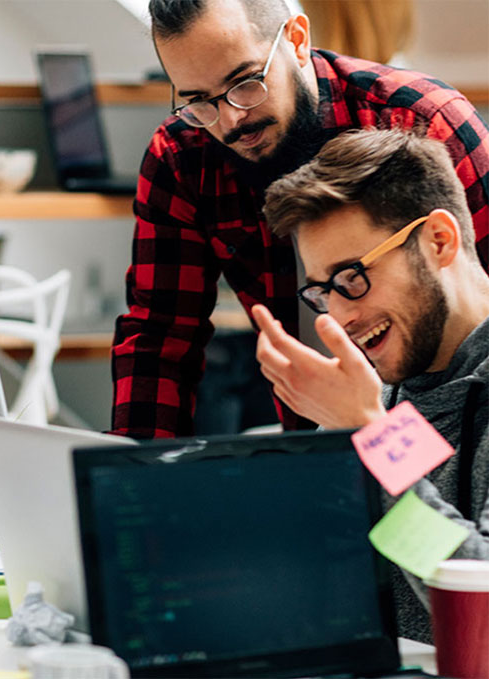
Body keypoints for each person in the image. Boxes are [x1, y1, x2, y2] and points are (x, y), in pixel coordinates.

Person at [111, 0, 488, 438]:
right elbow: (159, 340)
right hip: (339, 437)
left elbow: (434, 503)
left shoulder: (417, 119)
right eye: (198, 101)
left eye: (245, 83)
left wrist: (372, 430)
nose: (231, 119)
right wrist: (128, 487)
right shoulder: (184, 155)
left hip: (451, 426)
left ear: (297, 40)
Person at [252, 128, 488, 642]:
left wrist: (371, 435)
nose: (338, 318)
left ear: (439, 242)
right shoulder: (376, 389)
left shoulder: (367, 410)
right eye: (321, 292)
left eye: (352, 278)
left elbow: (481, 617)